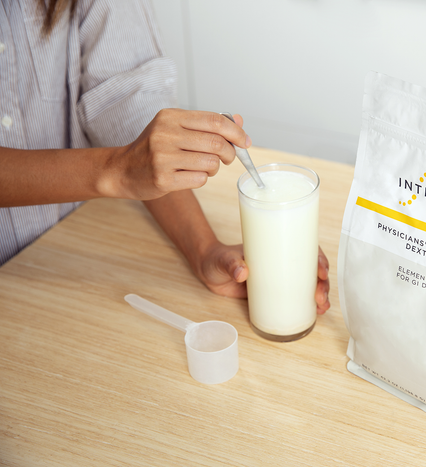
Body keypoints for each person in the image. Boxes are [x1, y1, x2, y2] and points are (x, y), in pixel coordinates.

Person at [0, 0, 331, 313]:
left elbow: (127, 100)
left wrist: (204, 250)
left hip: (68, 248)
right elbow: (130, 164)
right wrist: (118, 170)